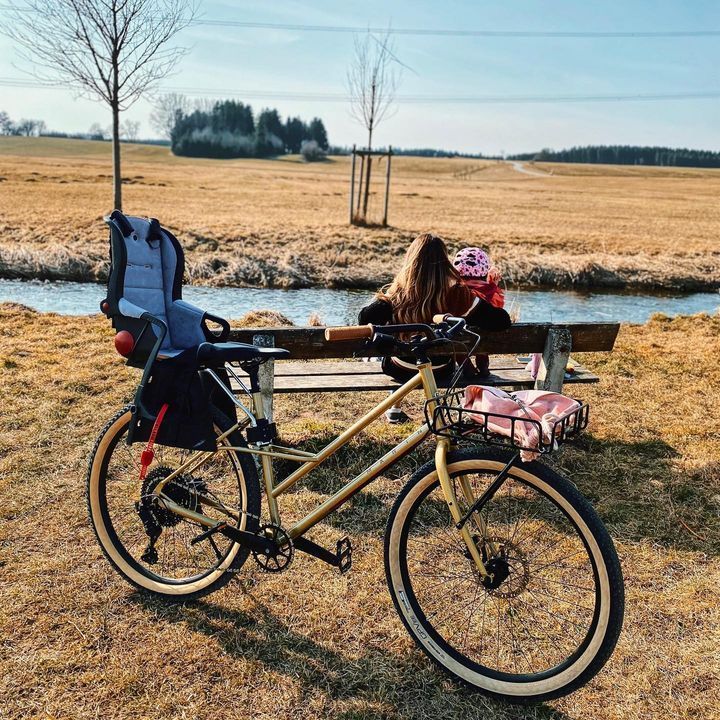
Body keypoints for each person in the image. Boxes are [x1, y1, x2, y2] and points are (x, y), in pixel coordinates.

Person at [358, 233, 511, 422]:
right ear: (445, 262)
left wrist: (389, 299)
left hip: (400, 368)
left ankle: (394, 410)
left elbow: (364, 317)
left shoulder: (398, 294)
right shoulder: (459, 295)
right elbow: (502, 321)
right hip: (439, 370)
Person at [451, 247, 505, 377]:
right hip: (483, 341)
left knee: (454, 335)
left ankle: (466, 365)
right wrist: (493, 285)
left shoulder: (455, 294)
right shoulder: (493, 293)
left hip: (460, 343)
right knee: (485, 328)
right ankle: (483, 365)